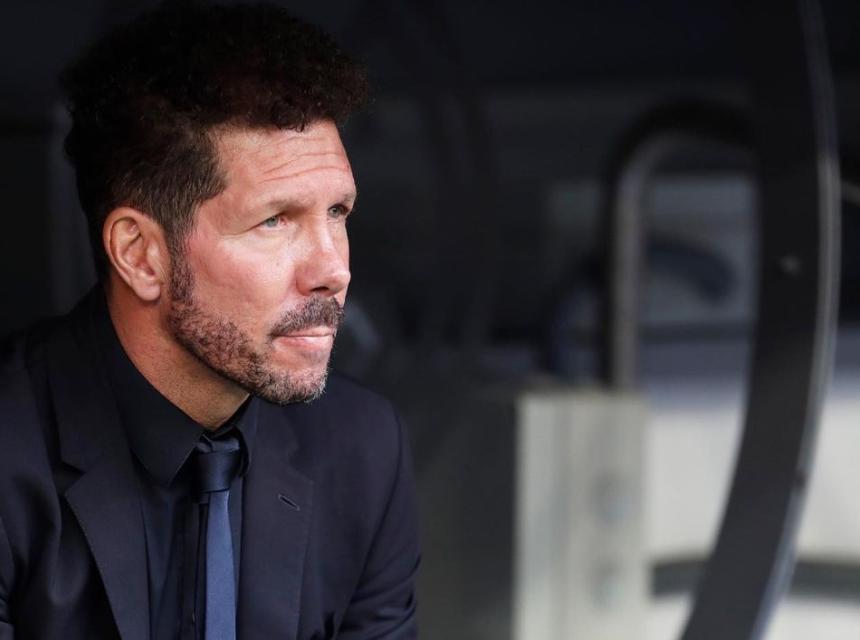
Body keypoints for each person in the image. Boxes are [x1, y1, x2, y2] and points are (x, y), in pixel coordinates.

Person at [0, 2, 419, 639]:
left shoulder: (361, 448)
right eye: (274, 220)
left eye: (338, 212)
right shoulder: (12, 452)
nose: (333, 269)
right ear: (141, 255)